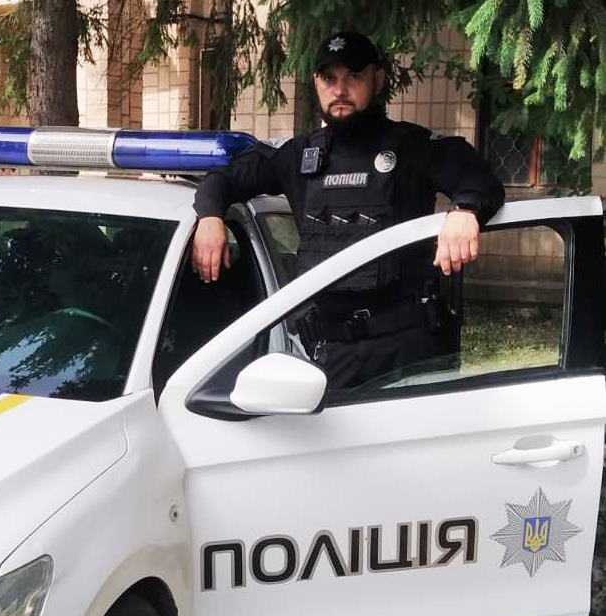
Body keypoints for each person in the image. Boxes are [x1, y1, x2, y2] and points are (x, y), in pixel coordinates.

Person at [192, 31, 504, 389]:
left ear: (378, 80)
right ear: (316, 83)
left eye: (353, 76)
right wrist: (210, 216)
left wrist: (465, 210)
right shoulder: (299, 156)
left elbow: (479, 178)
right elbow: (225, 177)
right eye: (329, 78)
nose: (339, 89)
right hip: (331, 357)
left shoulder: (411, 147)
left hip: (408, 353)